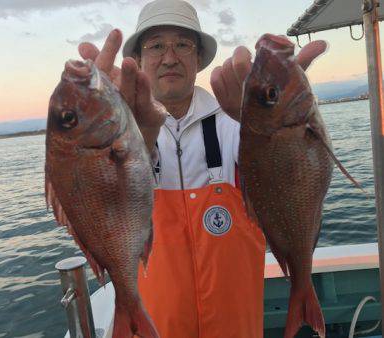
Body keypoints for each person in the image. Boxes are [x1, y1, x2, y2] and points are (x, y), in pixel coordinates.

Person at [76, 0, 327, 337]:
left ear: (198, 58)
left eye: (182, 44)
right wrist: (124, 140)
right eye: (156, 46)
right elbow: (94, 213)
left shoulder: (237, 122)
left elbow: (297, 184)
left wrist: (275, 113)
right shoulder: (115, 141)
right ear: (138, 61)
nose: (169, 57)